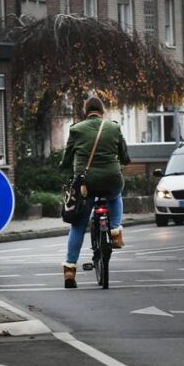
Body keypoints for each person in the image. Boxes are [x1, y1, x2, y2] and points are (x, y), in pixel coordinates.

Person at [59, 96, 131, 289]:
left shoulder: (76, 129)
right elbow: (124, 156)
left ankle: (69, 270)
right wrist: (122, 161)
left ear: (86, 111)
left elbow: (67, 158)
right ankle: (115, 233)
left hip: (85, 184)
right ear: (102, 111)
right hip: (111, 179)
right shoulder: (114, 128)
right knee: (115, 195)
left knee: (78, 226)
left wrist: (63, 166)